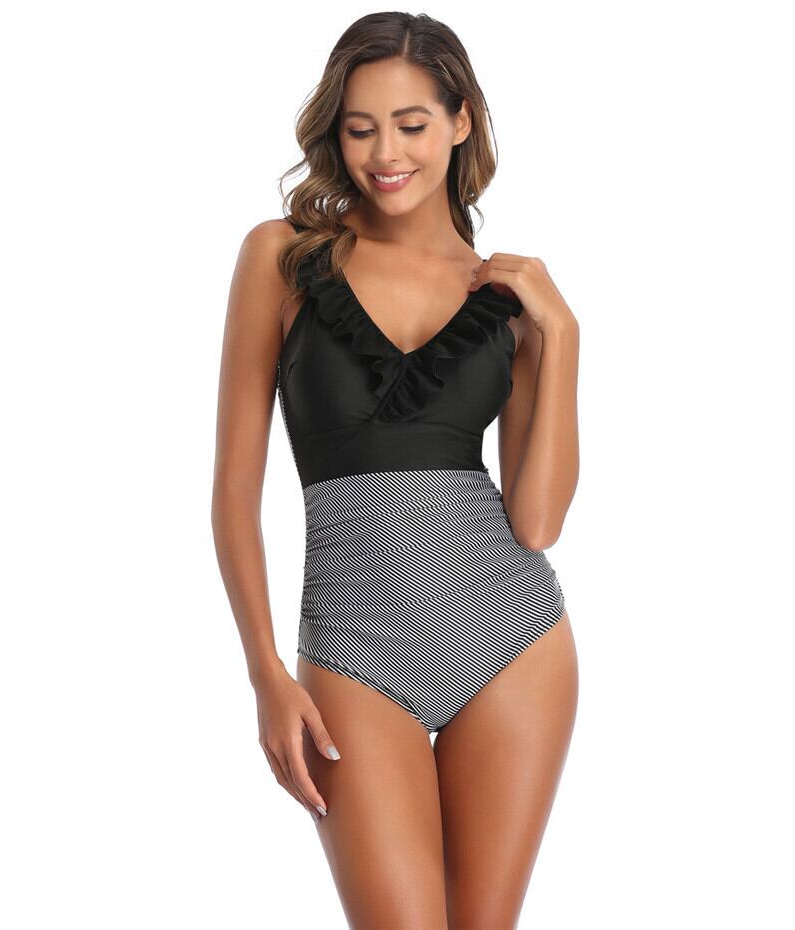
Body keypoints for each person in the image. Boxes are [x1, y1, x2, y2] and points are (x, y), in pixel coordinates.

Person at [212, 12, 580, 928]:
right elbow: (232, 493)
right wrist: (265, 672)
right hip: (353, 651)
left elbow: (536, 522)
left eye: (411, 124)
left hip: (512, 640)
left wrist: (563, 336)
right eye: (360, 127)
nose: (386, 153)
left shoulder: (507, 300)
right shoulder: (282, 258)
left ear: (460, 122)